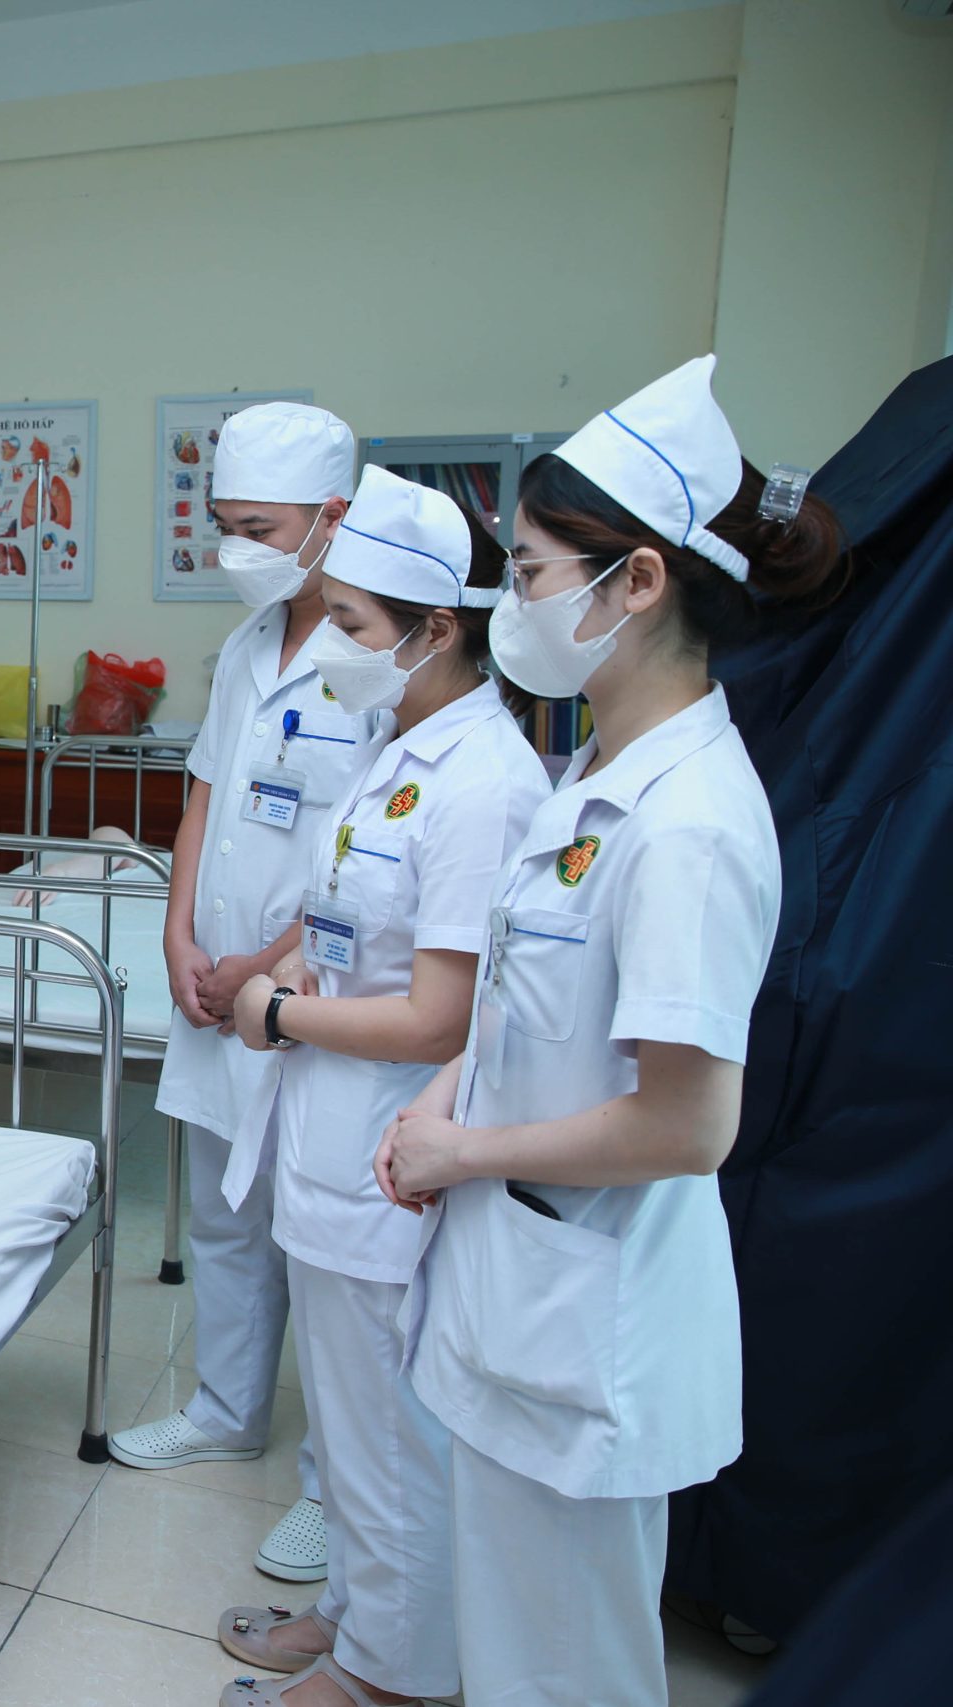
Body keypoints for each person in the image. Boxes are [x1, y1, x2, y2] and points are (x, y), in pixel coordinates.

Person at [374, 356, 847, 1706]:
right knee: (514, 1652)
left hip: (589, 1324)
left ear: (636, 582)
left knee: (565, 1674)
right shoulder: (595, 768)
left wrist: (461, 1151)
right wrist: (443, 1101)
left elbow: (688, 1124)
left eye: (528, 574)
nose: (511, 606)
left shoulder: (691, 822)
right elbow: (526, 996)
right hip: (523, 1293)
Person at [213, 468, 550, 1707]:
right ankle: (355, 1617)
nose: (332, 647)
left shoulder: (485, 782)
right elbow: (357, 924)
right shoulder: (398, 746)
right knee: (348, 1426)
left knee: (391, 1437)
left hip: (383, 1157)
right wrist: (299, 969)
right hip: (325, 1136)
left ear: (436, 630)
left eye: (351, 625)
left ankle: (389, 1679)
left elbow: (440, 1017)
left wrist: (278, 1010)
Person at [113, 401, 378, 1583]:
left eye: (258, 527)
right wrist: (177, 936)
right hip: (216, 985)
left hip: (310, 988)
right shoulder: (245, 645)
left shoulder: (377, 657)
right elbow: (205, 800)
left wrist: (266, 961)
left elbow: (373, 848)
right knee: (221, 1211)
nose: (236, 549)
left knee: (318, 1241)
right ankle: (224, 1410)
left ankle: (335, 1487)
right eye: (223, 523)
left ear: (332, 516)